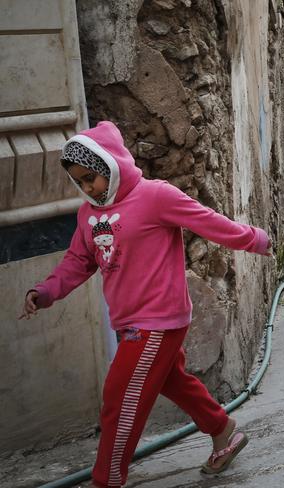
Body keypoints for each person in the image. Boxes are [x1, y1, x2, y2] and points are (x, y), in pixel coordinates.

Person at [19, 121, 271, 488]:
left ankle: (107, 481)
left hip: (158, 320)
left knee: (118, 402)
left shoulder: (156, 196)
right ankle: (223, 429)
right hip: (129, 322)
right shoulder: (87, 215)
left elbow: (208, 222)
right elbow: (78, 261)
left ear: (112, 165)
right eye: (80, 182)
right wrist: (44, 293)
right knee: (173, 381)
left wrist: (255, 240)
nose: (88, 187)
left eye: (93, 178)